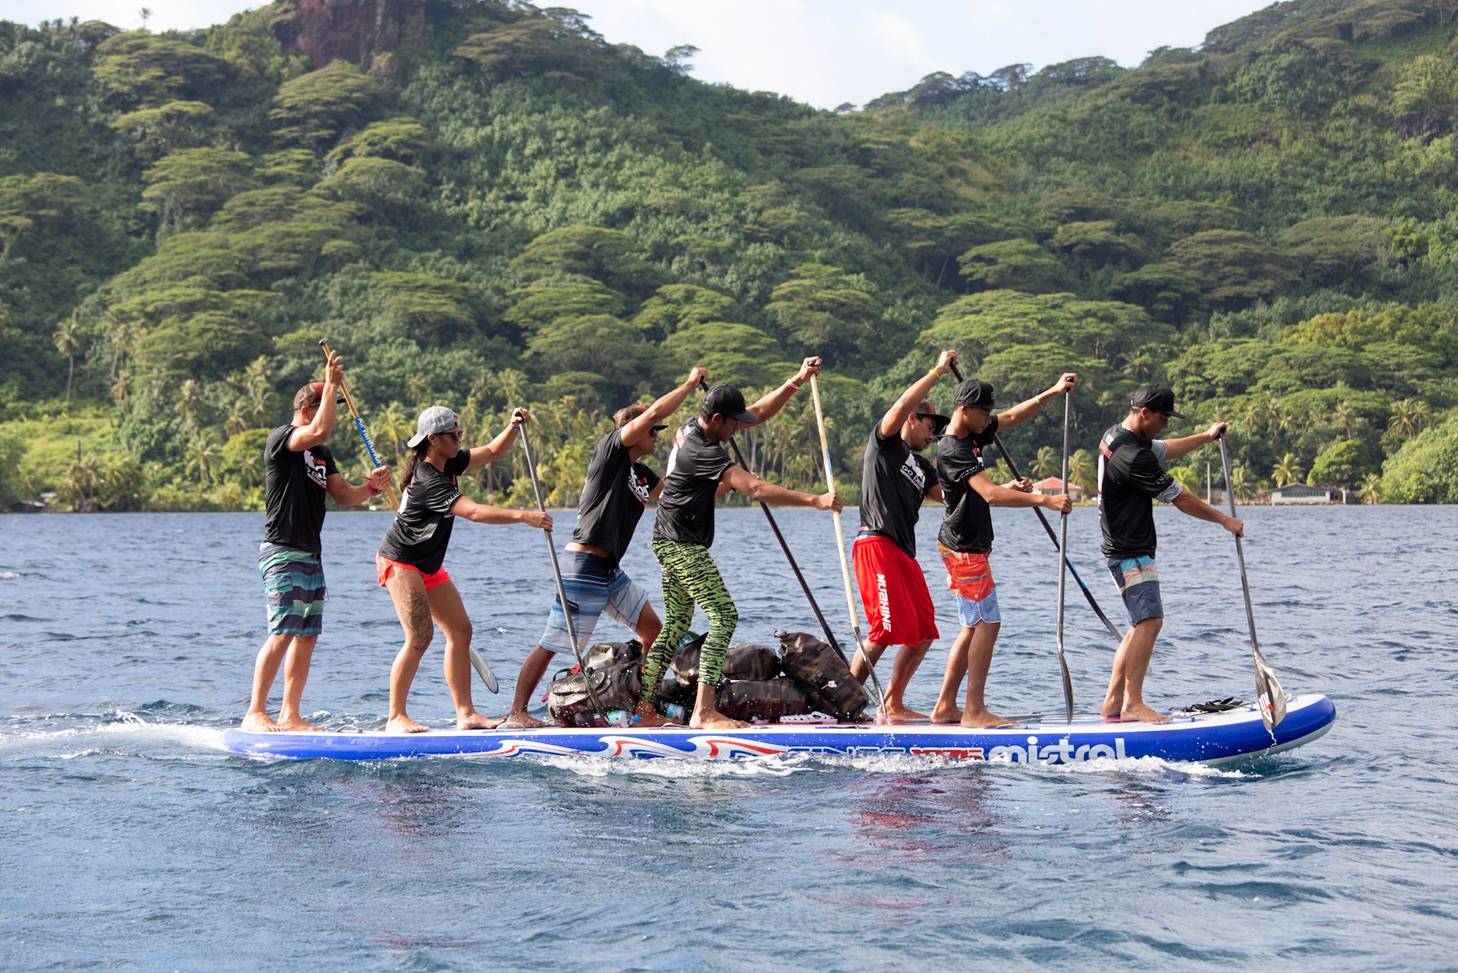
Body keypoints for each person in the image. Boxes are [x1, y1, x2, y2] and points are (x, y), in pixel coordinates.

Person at [637, 358, 843, 729]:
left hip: (668, 539)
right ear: (716, 420)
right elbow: (756, 489)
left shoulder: (692, 429)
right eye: (733, 423)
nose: (738, 430)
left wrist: (795, 380)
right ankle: (703, 712)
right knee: (724, 616)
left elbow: (758, 413)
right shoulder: (703, 450)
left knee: (675, 625)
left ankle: (644, 709)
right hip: (681, 544)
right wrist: (815, 500)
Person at [502, 366, 710, 729]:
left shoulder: (641, 473)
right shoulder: (611, 451)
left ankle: (645, 711)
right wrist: (691, 385)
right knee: (555, 641)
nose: (656, 436)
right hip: (584, 565)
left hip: (611, 571)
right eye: (652, 431)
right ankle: (517, 712)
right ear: (633, 431)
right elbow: (656, 412)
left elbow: (675, 495)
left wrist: (723, 473)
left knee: (654, 633)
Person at [376, 405, 551, 733]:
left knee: (460, 630)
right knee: (419, 637)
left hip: (428, 564)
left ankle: (466, 714)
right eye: (454, 435)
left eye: (460, 434)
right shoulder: (428, 479)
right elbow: (473, 512)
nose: (459, 439)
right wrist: (523, 516)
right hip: (400, 562)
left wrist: (513, 427)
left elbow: (493, 451)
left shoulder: (450, 460)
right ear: (433, 439)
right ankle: (396, 716)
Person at [243, 351, 390, 732]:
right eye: (328, 405)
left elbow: (344, 495)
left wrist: (372, 488)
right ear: (308, 409)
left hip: (310, 553)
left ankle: (290, 715)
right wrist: (330, 380)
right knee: (283, 630)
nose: (334, 416)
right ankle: (255, 712)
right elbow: (320, 429)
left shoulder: (322, 455)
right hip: (282, 549)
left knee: (306, 635)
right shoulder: (283, 438)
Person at [929, 372, 1077, 728]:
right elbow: (990, 494)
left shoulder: (972, 434)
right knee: (987, 623)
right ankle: (975, 711)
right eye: (982, 412)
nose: (988, 419)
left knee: (972, 627)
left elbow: (1010, 419)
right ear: (963, 410)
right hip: (963, 548)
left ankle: (946, 708)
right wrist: (1044, 499)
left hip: (968, 545)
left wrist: (1053, 391)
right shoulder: (953, 448)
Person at [1097, 384, 1242, 724]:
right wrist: (1224, 520)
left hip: (1124, 547)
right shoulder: (1132, 456)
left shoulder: (1118, 436)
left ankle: (1113, 702)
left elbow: (1164, 449)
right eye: (1163, 418)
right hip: (1128, 550)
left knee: (1139, 625)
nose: (1165, 425)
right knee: (1150, 621)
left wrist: (1206, 437)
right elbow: (1180, 498)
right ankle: (1132, 703)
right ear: (1144, 414)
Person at [847, 349, 957, 722]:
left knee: (924, 630)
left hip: (904, 555)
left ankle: (891, 702)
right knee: (884, 628)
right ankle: (841, 700)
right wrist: (937, 372)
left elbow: (952, 494)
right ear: (913, 418)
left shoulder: (923, 466)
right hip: (875, 544)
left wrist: (1013, 489)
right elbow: (900, 405)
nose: (933, 432)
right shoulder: (885, 443)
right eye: (929, 424)